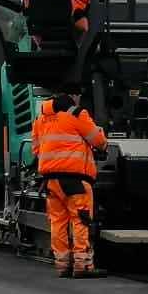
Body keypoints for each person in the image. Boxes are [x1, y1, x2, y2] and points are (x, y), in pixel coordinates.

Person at [33, 90, 108, 278]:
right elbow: (98, 141)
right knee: (81, 219)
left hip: (51, 179)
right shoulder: (77, 114)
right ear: (74, 96)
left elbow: (36, 148)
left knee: (58, 222)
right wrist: (102, 139)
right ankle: (82, 266)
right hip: (75, 179)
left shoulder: (41, 118)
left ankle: (62, 265)